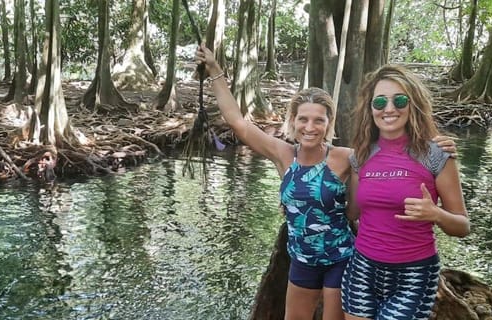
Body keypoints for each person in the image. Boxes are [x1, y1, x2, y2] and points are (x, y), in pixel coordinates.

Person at [195, 46, 457, 320]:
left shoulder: (346, 158)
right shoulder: (283, 155)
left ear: (329, 123)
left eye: (318, 120)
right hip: (301, 260)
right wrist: (215, 70)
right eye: (303, 119)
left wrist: (433, 146)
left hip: (341, 258)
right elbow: (239, 123)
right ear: (293, 122)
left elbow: (390, 160)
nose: (310, 127)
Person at [341, 64, 470, 320]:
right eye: (380, 102)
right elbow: (352, 212)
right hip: (362, 268)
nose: (389, 109)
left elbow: (463, 226)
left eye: (399, 100)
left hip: (414, 273)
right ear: (370, 109)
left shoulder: (436, 154)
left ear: (413, 104)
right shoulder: (361, 156)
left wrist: (436, 214)